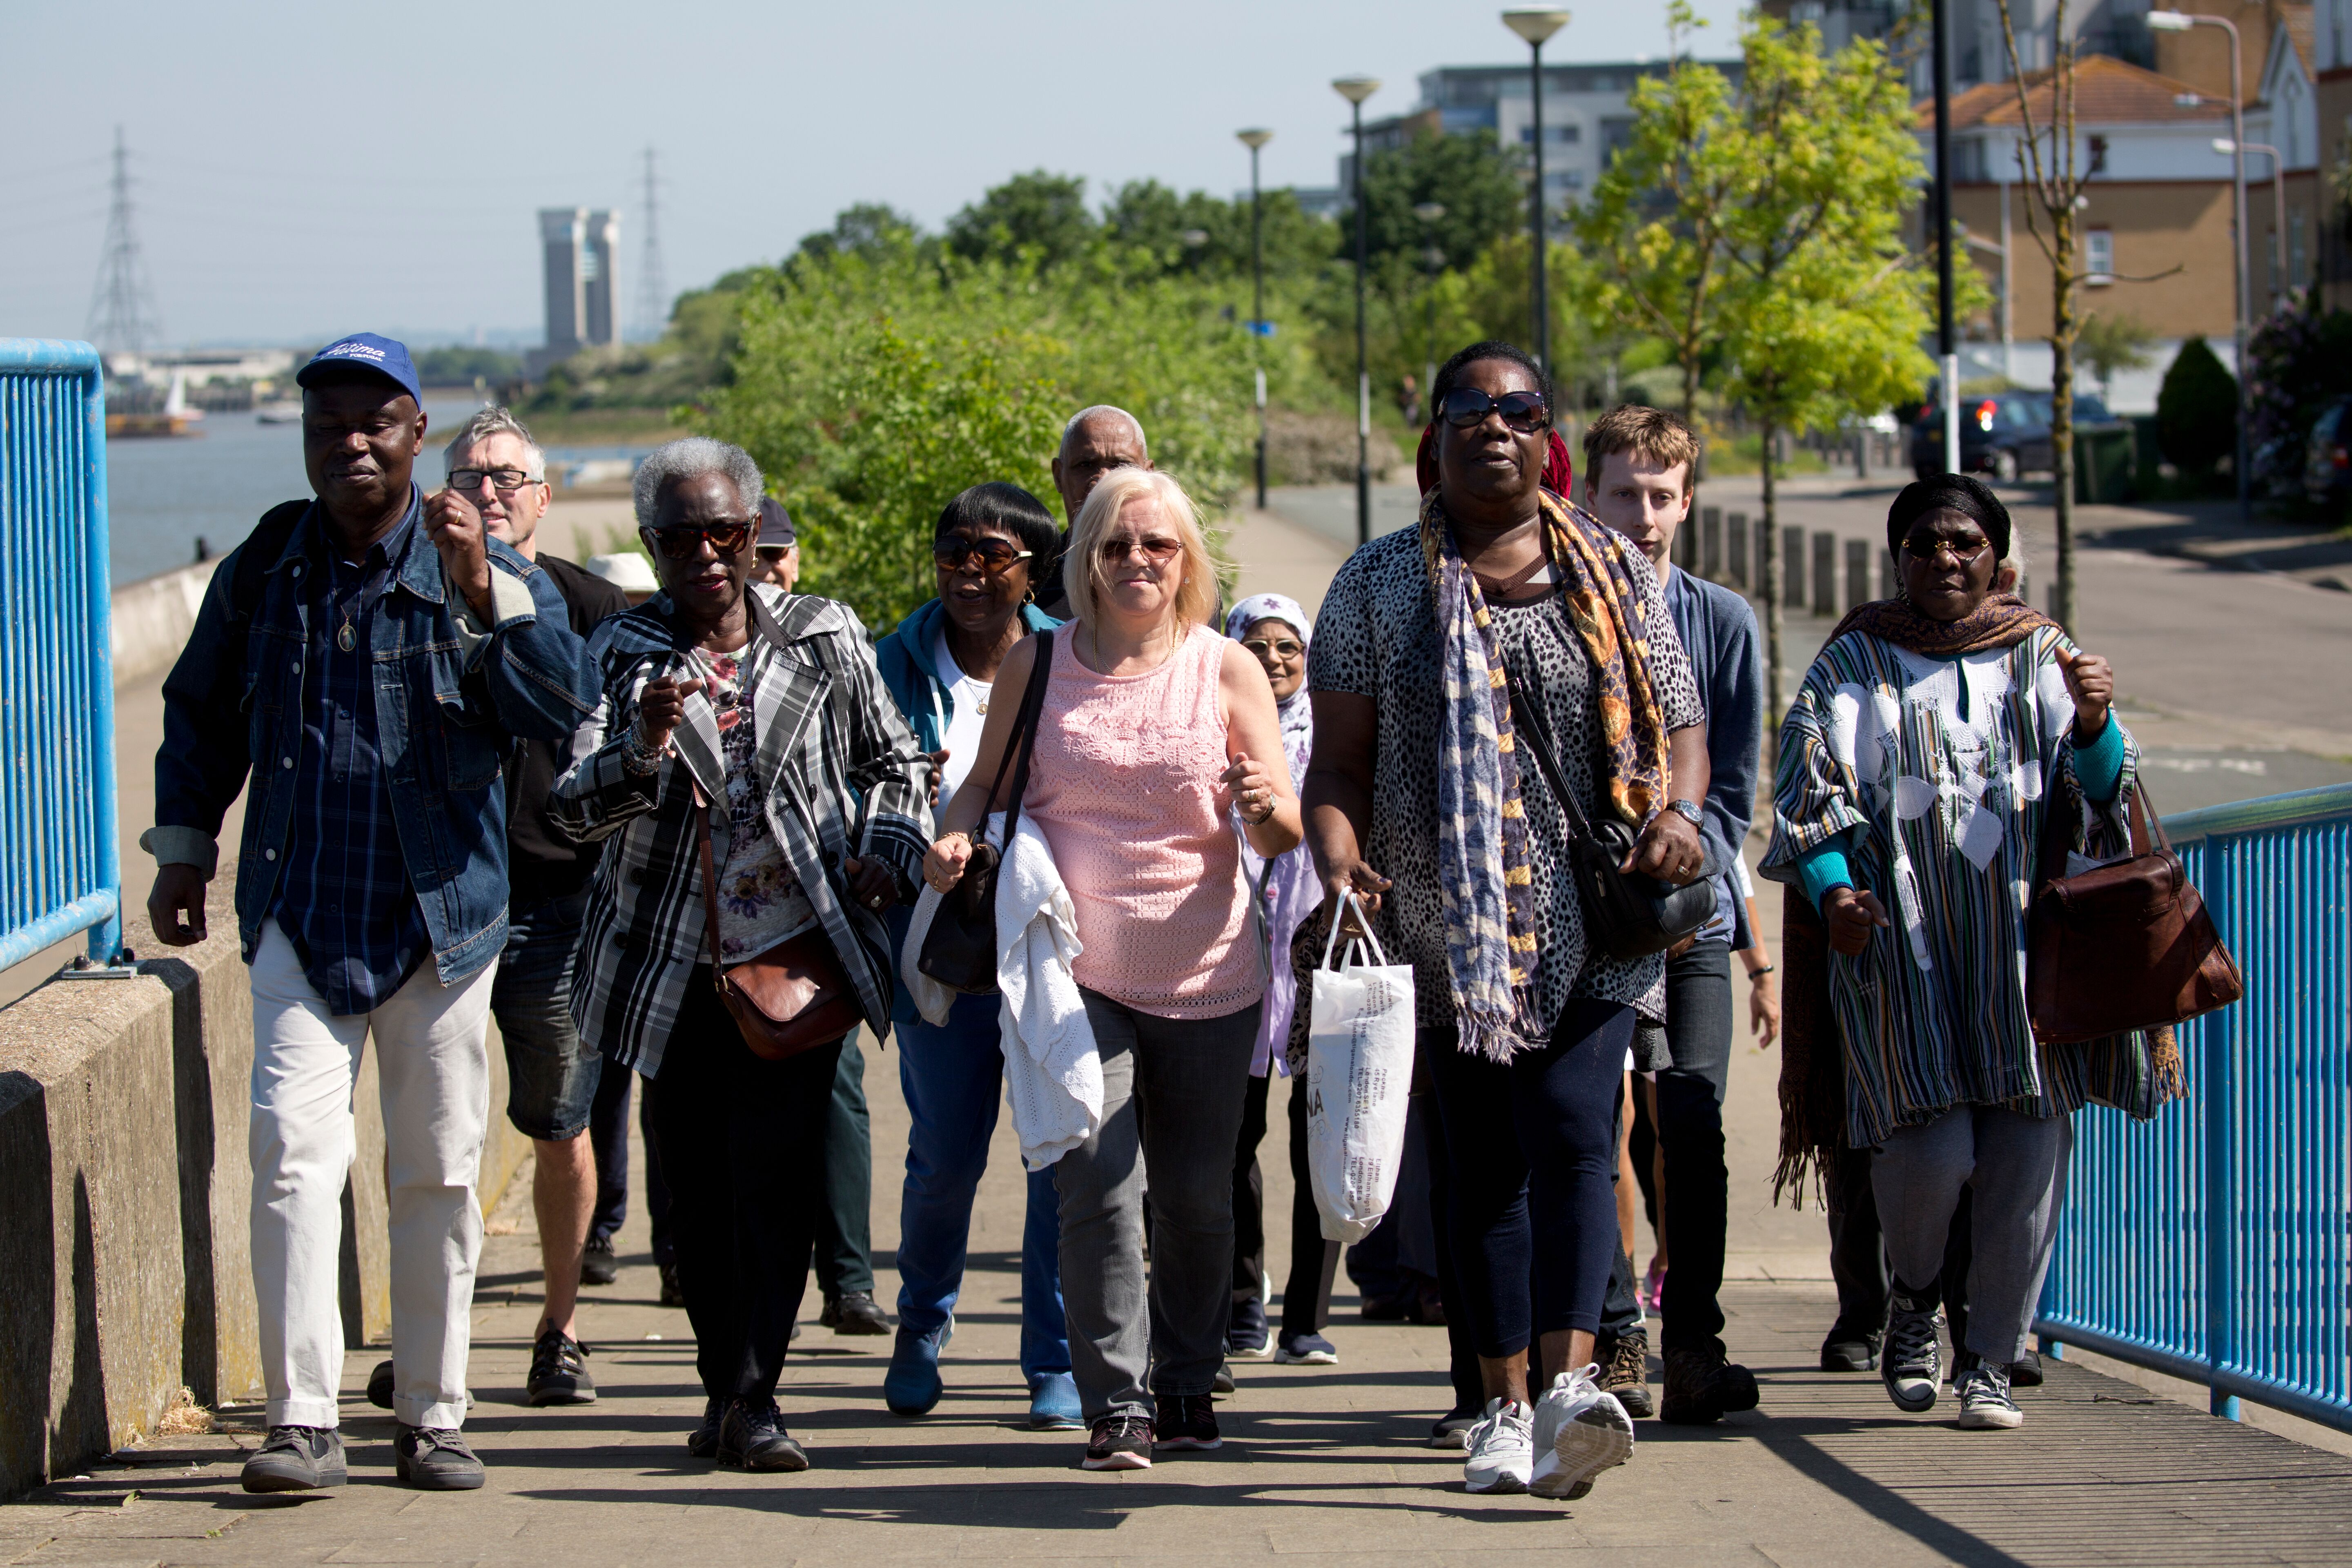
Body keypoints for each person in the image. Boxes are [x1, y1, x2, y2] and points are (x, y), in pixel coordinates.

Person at [145, 334, 597, 1494]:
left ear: (412, 436)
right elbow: (199, 710)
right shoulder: (268, 566)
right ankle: (303, 1419)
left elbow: (558, 701)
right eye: (325, 427)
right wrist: (187, 849)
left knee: (438, 1170)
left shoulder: (476, 562)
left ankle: (436, 1416)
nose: (347, 443)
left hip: (443, 925)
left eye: (371, 425)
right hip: (304, 908)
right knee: (295, 1156)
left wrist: (484, 583)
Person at [1303, 341, 1711, 1499]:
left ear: (1550, 439)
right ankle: (1501, 1405)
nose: (1495, 426)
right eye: (1470, 410)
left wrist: (1680, 812)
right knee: (1482, 1170)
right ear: (1434, 439)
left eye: (1519, 409)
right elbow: (1335, 767)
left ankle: (1573, 1387)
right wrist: (1339, 860)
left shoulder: (1619, 574)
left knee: (1580, 1135)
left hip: (1594, 921)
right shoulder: (1376, 585)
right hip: (1444, 933)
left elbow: (1680, 728)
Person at [1762, 474, 2176, 1431]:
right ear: (1895, 555)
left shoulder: (2037, 650)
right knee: (1931, 1149)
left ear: (1994, 556)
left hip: (2026, 957)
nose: (1944, 560)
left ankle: (1987, 1355)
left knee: (2026, 1152)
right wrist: (1834, 894)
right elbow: (1806, 796)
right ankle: (1912, 1296)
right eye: (1922, 544)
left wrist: (2091, 719)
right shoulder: (1851, 662)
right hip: (1899, 954)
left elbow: (2102, 789)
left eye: (1963, 544)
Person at [552, 437, 930, 1472]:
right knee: (697, 1199)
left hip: (793, 962)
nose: (711, 555)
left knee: (774, 1184)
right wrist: (640, 742)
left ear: (757, 531)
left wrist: (886, 853)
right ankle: (724, 1383)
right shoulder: (624, 652)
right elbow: (571, 806)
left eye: (730, 532)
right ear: (651, 546)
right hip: (666, 970)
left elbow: (894, 760)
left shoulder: (822, 633)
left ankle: (755, 1397)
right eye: (683, 537)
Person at [922, 466, 1301, 1470]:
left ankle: (1184, 1379)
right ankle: (1117, 1406)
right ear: (1084, 561)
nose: (1137, 560)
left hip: (1212, 976)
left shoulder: (1226, 667)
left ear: (1185, 563)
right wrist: (950, 841)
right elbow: (979, 786)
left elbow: (1282, 832)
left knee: (1193, 1197)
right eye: (1116, 545)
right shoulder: (1037, 665)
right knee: (1094, 1186)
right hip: (1076, 973)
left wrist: (1262, 805)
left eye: (1158, 546)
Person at [360, 406, 627, 1413]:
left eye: (510, 477)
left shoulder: (590, 605)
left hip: (556, 904)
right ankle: (437, 1336)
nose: (490, 492)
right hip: (435, 909)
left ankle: (559, 1329)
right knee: (439, 1132)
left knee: (559, 1122)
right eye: (471, 476)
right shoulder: (408, 597)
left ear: (544, 497)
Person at [872, 481, 1078, 1428]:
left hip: (1049, 944)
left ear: (1032, 568)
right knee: (943, 1159)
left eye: (990, 553)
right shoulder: (891, 663)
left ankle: (1053, 1356)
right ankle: (922, 1323)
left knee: (1054, 1155)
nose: (966, 569)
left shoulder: (1068, 659)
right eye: (952, 548)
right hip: (940, 942)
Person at [1580, 404, 1765, 1426]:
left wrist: (1698, 872)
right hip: (1586, 920)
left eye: (1660, 497)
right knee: (1590, 1124)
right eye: (1623, 494)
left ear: (1685, 502)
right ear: (1587, 496)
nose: (1642, 516)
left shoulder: (1721, 622)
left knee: (1688, 1121)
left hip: (1689, 917)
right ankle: (1616, 1339)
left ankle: (1691, 1338)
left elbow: (1733, 785)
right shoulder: (1558, 611)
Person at [1220, 593, 1342, 1368]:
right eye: (1257, 646)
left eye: (1288, 647)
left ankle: (1307, 1316)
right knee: (1234, 1137)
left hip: (1318, 950)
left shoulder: (1333, 730)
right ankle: (1241, 1304)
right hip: (1233, 950)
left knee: (1318, 1136)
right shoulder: (1217, 721)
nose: (1273, 660)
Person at [1033, 406, 1152, 619]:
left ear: (1149, 475)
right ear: (1058, 476)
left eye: (1122, 465)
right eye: (1086, 464)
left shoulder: (1177, 584)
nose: (1105, 479)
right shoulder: (1028, 584)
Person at [748, 495, 801, 591]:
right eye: (748, 557)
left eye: (773, 552)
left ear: (795, 563)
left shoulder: (825, 606)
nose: (762, 569)